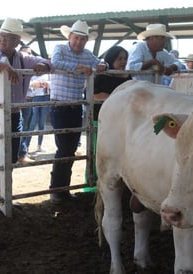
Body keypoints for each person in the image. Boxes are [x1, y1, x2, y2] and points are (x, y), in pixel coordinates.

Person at [0, 17, 53, 213]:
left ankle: (5, 196)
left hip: (14, 113)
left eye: (8, 38)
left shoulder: (23, 58)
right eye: (1, 36)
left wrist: (43, 66)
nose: (2, 40)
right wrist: (3, 66)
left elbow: (46, 62)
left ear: (17, 42)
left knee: (10, 157)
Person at [49, 19, 107, 204]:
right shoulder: (60, 48)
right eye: (76, 38)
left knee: (70, 149)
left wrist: (101, 66)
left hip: (76, 107)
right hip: (60, 105)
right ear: (70, 37)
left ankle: (62, 190)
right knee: (64, 148)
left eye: (83, 39)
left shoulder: (87, 54)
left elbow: (102, 64)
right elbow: (55, 62)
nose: (79, 42)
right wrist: (79, 68)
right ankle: (57, 190)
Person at [86, 45, 132, 189]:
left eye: (125, 58)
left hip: (121, 122)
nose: (123, 62)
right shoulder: (101, 76)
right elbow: (94, 95)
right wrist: (119, 98)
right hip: (101, 120)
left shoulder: (129, 76)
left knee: (117, 153)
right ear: (111, 59)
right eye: (119, 58)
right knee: (97, 152)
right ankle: (93, 184)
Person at [17, 45, 35, 163]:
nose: (28, 56)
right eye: (25, 53)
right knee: (21, 127)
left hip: (30, 99)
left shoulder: (31, 67)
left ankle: (23, 151)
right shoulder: (18, 67)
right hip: (22, 100)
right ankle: (21, 154)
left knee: (27, 126)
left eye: (29, 53)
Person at [28, 74, 50, 155]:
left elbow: (50, 84)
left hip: (46, 97)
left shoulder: (48, 74)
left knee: (42, 123)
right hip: (35, 97)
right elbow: (30, 85)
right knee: (32, 124)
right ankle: (26, 146)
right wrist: (38, 84)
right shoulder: (33, 74)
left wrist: (44, 84)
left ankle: (39, 145)